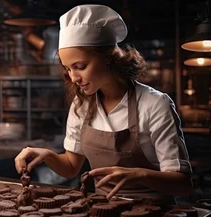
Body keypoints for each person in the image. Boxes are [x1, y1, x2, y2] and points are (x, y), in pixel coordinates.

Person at [14, 4, 192, 203]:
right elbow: (71, 167)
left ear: (108, 57)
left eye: (80, 66)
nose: (74, 78)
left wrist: (139, 174)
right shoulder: (81, 105)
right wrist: (47, 155)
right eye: (68, 69)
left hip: (154, 216)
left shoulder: (154, 104)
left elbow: (183, 184)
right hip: (102, 211)